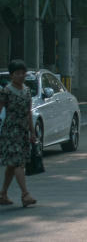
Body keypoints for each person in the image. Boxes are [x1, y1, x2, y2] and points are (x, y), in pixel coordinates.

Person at [0, 59, 38, 207]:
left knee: (12, 164)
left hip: (23, 131)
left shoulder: (27, 90)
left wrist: (32, 131)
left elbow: (29, 112)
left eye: (23, 73)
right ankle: (25, 195)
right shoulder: (6, 91)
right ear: (11, 75)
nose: (21, 75)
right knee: (17, 163)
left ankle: (3, 193)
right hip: (10, 131)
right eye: (18, 73)